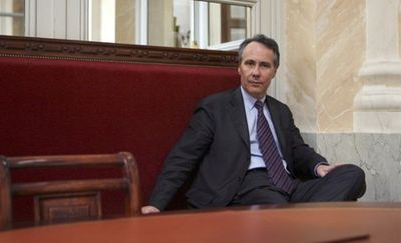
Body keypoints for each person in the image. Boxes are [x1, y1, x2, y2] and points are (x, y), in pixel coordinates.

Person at [141, 34, 366, 214]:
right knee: (275, 202)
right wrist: (157, 204)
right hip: (243, 186)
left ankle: (301, 223)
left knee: (352, 175)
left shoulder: (280, 111)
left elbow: (298, 150)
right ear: (239, 68)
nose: (256, 73)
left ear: (274, 72)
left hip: (289, 186)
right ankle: (305, 223)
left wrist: (319, 166)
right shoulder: (214, 108)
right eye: (250, 64)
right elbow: (183, 157)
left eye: (264, 66)